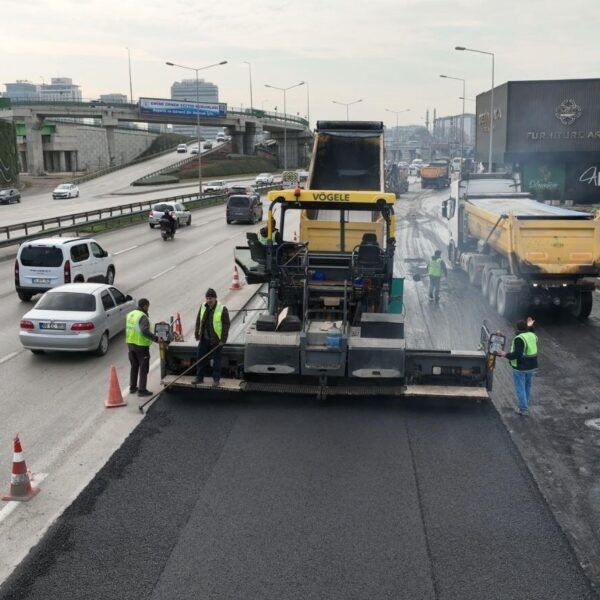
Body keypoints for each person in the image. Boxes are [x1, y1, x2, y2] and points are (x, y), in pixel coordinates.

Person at [498, 317, 538, 416]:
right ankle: (525, 405)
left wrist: (505, 354)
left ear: (517, 329)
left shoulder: (519, 339)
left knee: (520, 388)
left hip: (521, 367)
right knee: (527, 387)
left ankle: (523, 409)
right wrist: (530, 325)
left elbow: (517, 354)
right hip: (532, 366)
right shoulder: (532, 335)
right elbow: (532, 331)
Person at [194, 288, 230, 386]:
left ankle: (216, 380)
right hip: (204, 338)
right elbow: (198, 321)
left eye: (211, 298)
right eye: (207, 298)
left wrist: (223, 340)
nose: (209, 300)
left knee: (216, 361)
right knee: (200, 358)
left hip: (216, 341)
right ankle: (199, 378)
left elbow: (226, 325)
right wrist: (197, 334)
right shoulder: (203, 306)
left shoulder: (222, 309)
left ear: (215, 298)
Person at [125, 298, 159, 397]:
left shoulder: (131, 314)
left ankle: (133, 387)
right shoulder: (143, 317)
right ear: (144, 306)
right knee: (143, 368)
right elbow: (144, 330)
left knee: (134, 366)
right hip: (141, 347)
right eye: (148, 306)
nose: (148, 308)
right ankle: (142, 390)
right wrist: (155, 338)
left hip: (130, 344)